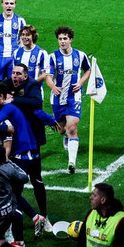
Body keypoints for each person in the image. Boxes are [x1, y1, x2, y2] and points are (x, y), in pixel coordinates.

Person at [0, 85, 56, 236]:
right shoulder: (14, 108)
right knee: (31, 186)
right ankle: (39, 218)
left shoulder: (8, 109)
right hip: (32, 153)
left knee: (12, 195)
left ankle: (19, 233)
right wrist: (50, 119)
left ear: (1, 98)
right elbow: (36, 111)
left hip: (22, 156)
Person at [47, 25, 90, 173]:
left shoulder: (80, 55)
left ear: (71, 39)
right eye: (60, 39)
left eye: (65, 38)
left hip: (74, 97)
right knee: (62, 129)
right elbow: (48, 77)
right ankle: (66, 136)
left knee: (72, 127)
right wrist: (53, 86)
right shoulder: (53, 57)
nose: (63, 41)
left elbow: (88, 70)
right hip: (58, 98)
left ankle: (72, 162)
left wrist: (81, 82)